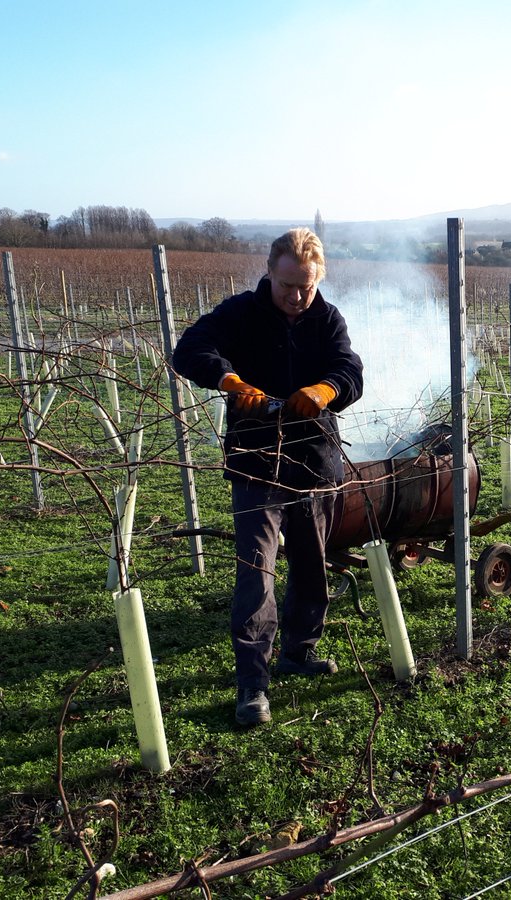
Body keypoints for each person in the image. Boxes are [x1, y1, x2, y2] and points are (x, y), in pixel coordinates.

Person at [172, 228, 363, 726]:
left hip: (313, 461)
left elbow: (350, 370)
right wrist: (229, 380)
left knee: (312, 564)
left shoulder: (328, 319)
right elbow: (189, 349)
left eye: (306, 287)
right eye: (287, 286)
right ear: (269, 273)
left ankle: (299, 652)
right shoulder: (239, 313)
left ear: (318, 279)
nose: (296, 297)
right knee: (256, 572)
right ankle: (252, 684)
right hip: (256, 462)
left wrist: (326, 390)